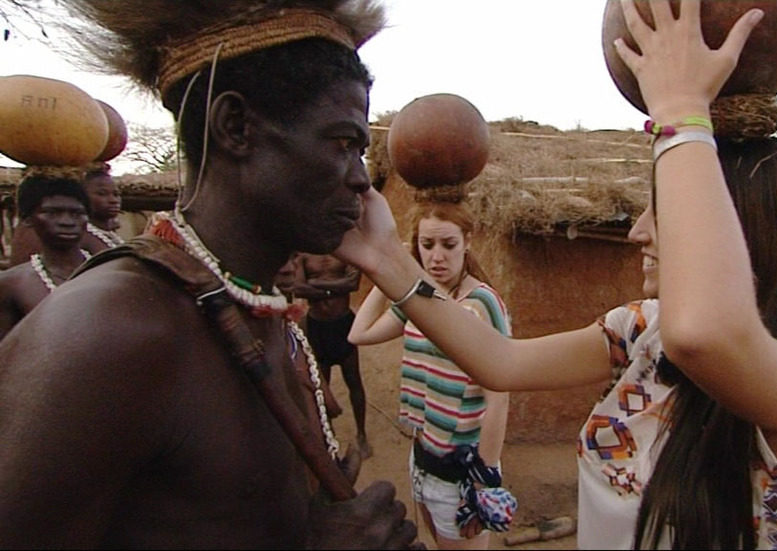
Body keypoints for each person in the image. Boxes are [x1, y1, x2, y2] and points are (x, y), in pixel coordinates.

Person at [331, 1, 777, 549]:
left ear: (739, 228)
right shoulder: (642, 330)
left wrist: (681, 110)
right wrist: (388, 258)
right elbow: (499, 361)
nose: (638, 231)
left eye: (661, 209)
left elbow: (706, 335)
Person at [0, 1, 418, 548]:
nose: (362, 181)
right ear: (235, 126)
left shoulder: (264, 311)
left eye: (361, 152)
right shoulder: (111, 330)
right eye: (342, 143)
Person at [348, 200, 513, 550]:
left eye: (448, 245)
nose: (437, 256)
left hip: (462, 471)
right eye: (426, 246)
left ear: (468, 241)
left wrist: (484, 481)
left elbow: (500, 396)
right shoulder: (419, 303)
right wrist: (392, 270)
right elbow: (358, 334)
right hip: (422, 460)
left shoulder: (482, 304)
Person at [291, 252, 372, 459]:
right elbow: (298, 288)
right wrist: (336, 286)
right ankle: (328, 433)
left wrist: (316, 286)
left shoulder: (345, 249)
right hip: (317, 327)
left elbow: (353, 283)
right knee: (321, 386)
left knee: (354, 381)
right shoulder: (304, 253)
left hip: (343, 323)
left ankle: (362, 434)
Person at [0, 175, 91, 341]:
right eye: (52, 213)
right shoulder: (12, 284)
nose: (67, 222)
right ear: (28, 219)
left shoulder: (111, 271)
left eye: (77, 213)